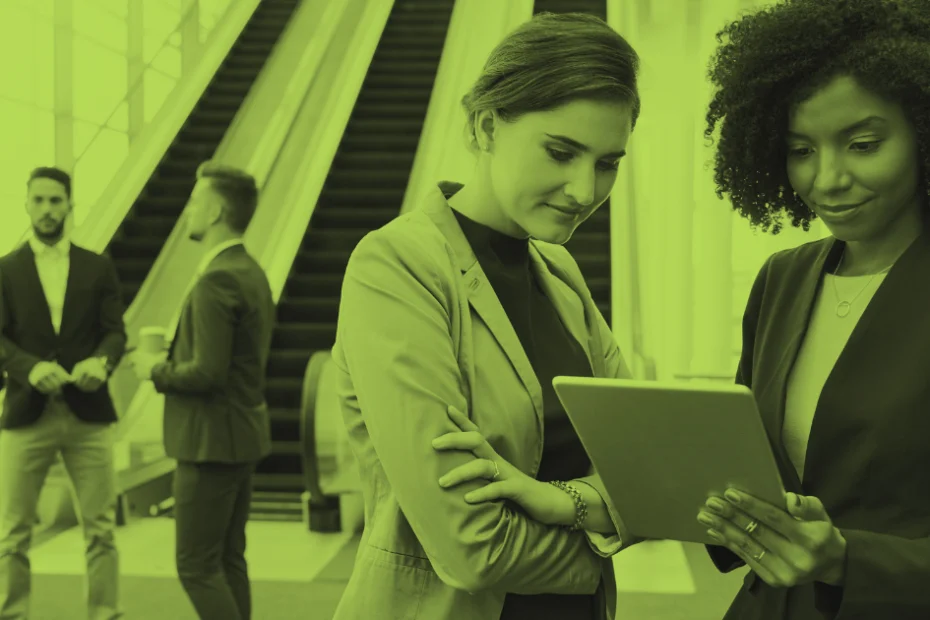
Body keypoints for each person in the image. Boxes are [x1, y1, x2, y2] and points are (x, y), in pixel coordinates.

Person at [334, 0, 930, 617]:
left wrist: (571, 502)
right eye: (560, 152)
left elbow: (644, 468)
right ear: (485, 128)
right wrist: (604, 539)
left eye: (608, 163)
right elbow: (472, 550)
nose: (585, 191)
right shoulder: (400, 266)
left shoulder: (557, 272)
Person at [130, 162, 275, 620]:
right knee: (229, 557)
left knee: (195, 566)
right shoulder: (250, 270)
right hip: (241, 436)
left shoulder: (217, 279)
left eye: (194, 202)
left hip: (208, 443)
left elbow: (206, 373)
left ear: (214, 211)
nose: (187, 211)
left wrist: (154, 368)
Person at [0, 167, 127, 619]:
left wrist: (102, 362)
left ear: (70, 205)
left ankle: (104, 613)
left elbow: (115, 333)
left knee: (101, 530)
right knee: (12, 535)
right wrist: (28, 368)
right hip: (24, 414)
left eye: (56, 200)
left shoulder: (98, 266)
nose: (47, 209)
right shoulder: (6, 269)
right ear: (27, 205)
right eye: (39, 200)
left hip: (87, 415)